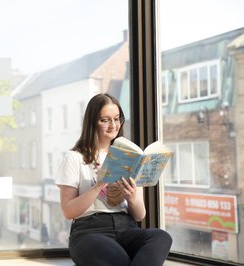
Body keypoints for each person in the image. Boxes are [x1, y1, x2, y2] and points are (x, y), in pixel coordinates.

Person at [56, 93, 172, 266]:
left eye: (117, 119)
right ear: (92, 122)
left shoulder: (129, 157)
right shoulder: (74, 157)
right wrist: (99, 185)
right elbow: (68, 211)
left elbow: (140, 215)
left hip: (127, 228)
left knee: (161, 237)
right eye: (105, 120)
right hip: (90, 231)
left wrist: (132, 197)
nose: (113, 125)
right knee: (120, 261)